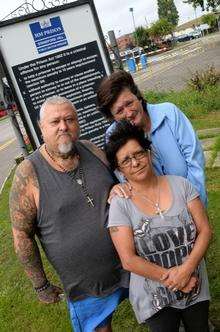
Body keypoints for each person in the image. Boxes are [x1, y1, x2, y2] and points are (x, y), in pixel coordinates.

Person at [9, 96, 128, 332]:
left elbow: (124, 182)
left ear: (78, 124)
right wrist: (41, 285)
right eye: (55, 122)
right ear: (42, 128)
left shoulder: (93, 150)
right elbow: (21, 235)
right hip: (85, 286)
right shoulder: (28, 173)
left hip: (131, 263)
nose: (63, 126)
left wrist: (117, 186)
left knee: (159, 311)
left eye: (69, 119)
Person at [105, 120, 212, 332]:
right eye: (126, 160)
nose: (135, 163)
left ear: (149, 153)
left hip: (195, 282)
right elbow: (128, 260)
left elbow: (205, 230)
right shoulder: (119, 204)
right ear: (119, 169)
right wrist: (178, 279)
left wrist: (187, 270)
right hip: (154, 295)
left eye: (139, 154)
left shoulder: (182, 185)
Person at [97, 70, 207, 206]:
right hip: (157, 214)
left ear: (138, 96)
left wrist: (194, 205)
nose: (128, 113)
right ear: (112, 117)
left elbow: (195, 160)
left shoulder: (169, 113)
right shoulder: (113, 136)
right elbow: (126, 181)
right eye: (120, 111)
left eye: (129, 103)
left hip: (194, 199)